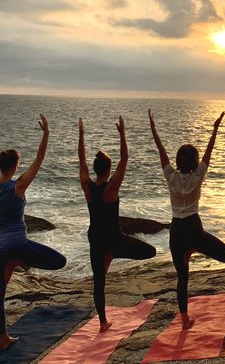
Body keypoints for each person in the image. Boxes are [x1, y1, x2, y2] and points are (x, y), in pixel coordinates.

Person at [0, 112, 66, 349]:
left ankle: (3, 339)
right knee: (59, 261)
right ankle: (16, 260)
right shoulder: (18, 187)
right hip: (16, 244)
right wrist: (46, 134)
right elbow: (39, 160)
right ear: (14, 166)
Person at [148, 109, 225, 329]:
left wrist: (154, 129)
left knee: (182, 277)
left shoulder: (170, 176)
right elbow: (209, 152)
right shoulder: (197, 176)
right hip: (194, 229)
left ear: (178, 161)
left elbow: (161, 152)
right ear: (194, 161)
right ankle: (197, 249)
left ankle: (185, 319)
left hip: (177, 230)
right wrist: (215, 129)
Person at [79, 116, 156, 332]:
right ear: (108, 168)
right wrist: (122, 133)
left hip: (95, 238)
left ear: (96, 169)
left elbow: (82, 161)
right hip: (114, 238)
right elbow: (125, 158)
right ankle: (113, 254)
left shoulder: (88, 187)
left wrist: (82, 135)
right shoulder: (111, 188)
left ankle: (103, 323)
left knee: (99, 282)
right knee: (150, 251)